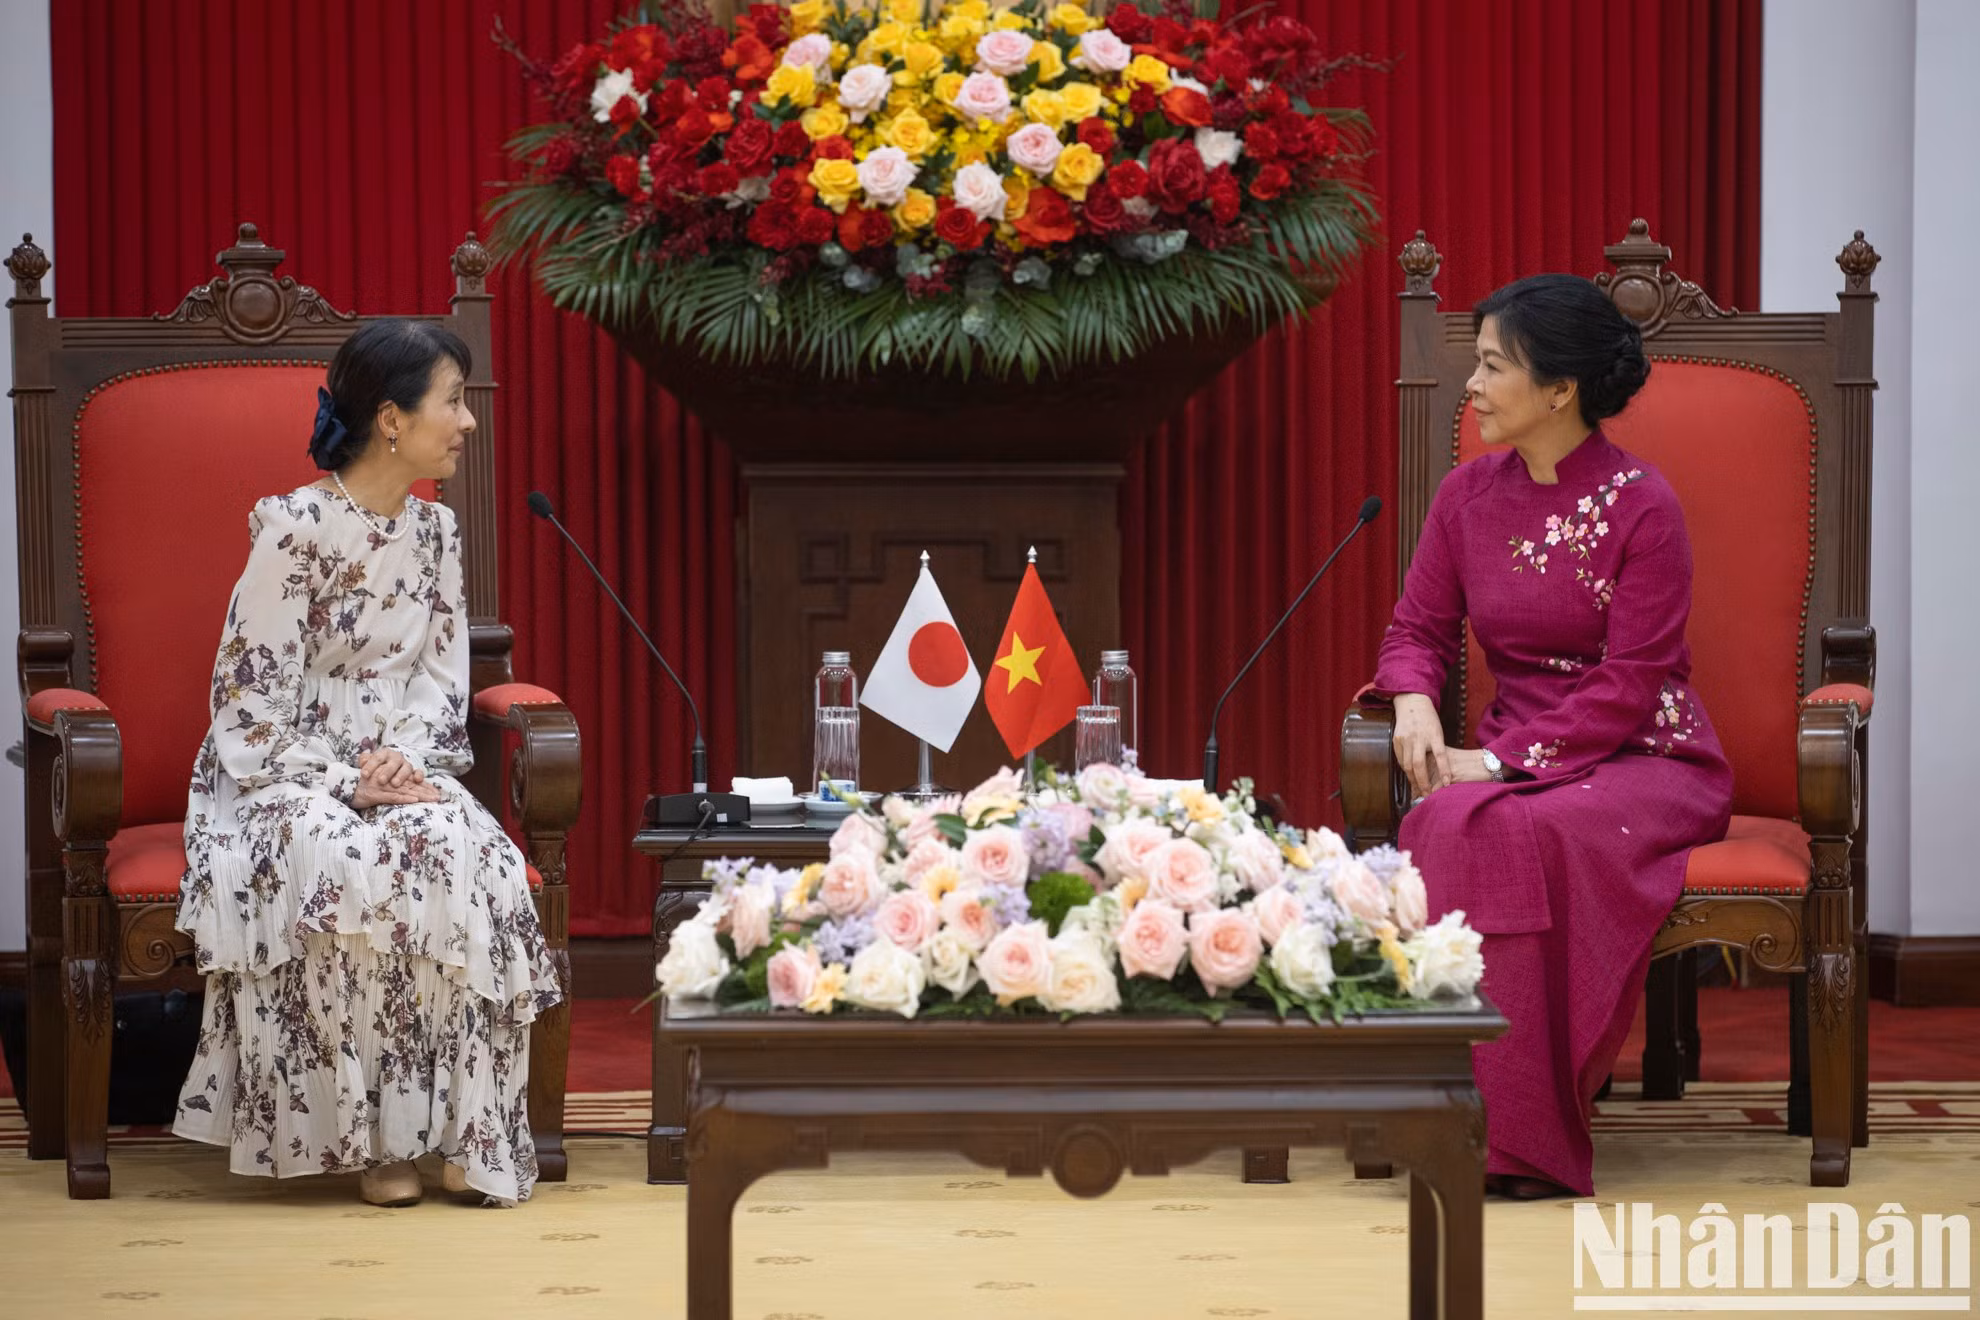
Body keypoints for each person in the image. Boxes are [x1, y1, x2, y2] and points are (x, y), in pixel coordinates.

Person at [174, 320, 561, 1206]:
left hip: (402, 764)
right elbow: (247, 702)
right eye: (453, 402)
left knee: (466, 854)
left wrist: (401, 763)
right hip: (278, 771)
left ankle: (462, 1135)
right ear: (392, 419)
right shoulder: (293, 529)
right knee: (344, 857)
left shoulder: (436, 531)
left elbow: (440, 679)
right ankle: (376, 1145)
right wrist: (350, 780)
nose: (468, 422)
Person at [1367, 274, 1732, 1198]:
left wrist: (1493, 761)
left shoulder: (1644, 505)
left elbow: (1631, 683)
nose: (1473, 385)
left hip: (1645, 757)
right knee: (1439, 822)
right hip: (1521, 751)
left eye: (1494, 366)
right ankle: (1453, 1120)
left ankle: (1525, 1139)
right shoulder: (1466, 496)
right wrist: (1412, 702)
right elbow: (1415, 631)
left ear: (1561, 388)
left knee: (1520, 824)